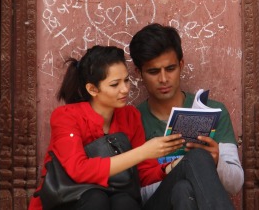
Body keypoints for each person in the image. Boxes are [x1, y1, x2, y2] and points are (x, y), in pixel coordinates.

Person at [28, 45, 233, 210]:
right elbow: (79, 171)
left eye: (126, 81)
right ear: (92, 89)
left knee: (194, 163)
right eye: (115, 84)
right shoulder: (66, 117)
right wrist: (144, 152)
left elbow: (144, 174)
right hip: (71, 201)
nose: (125, 89)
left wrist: (175, 163)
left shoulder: (129, 116)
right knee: (97, 199)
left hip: (123, 201)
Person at [129, 23, 244, 204]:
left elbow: (235, 184)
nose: (164, 79)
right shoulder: (132, 120)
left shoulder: (213, 112)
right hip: (157, 204)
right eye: (153, 72)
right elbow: (133, 196)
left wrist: (216, 162)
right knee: (193, 165)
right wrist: (181, 169)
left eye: (170, 69)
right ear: (139, 73)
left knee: (183, 190)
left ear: (181, 65)